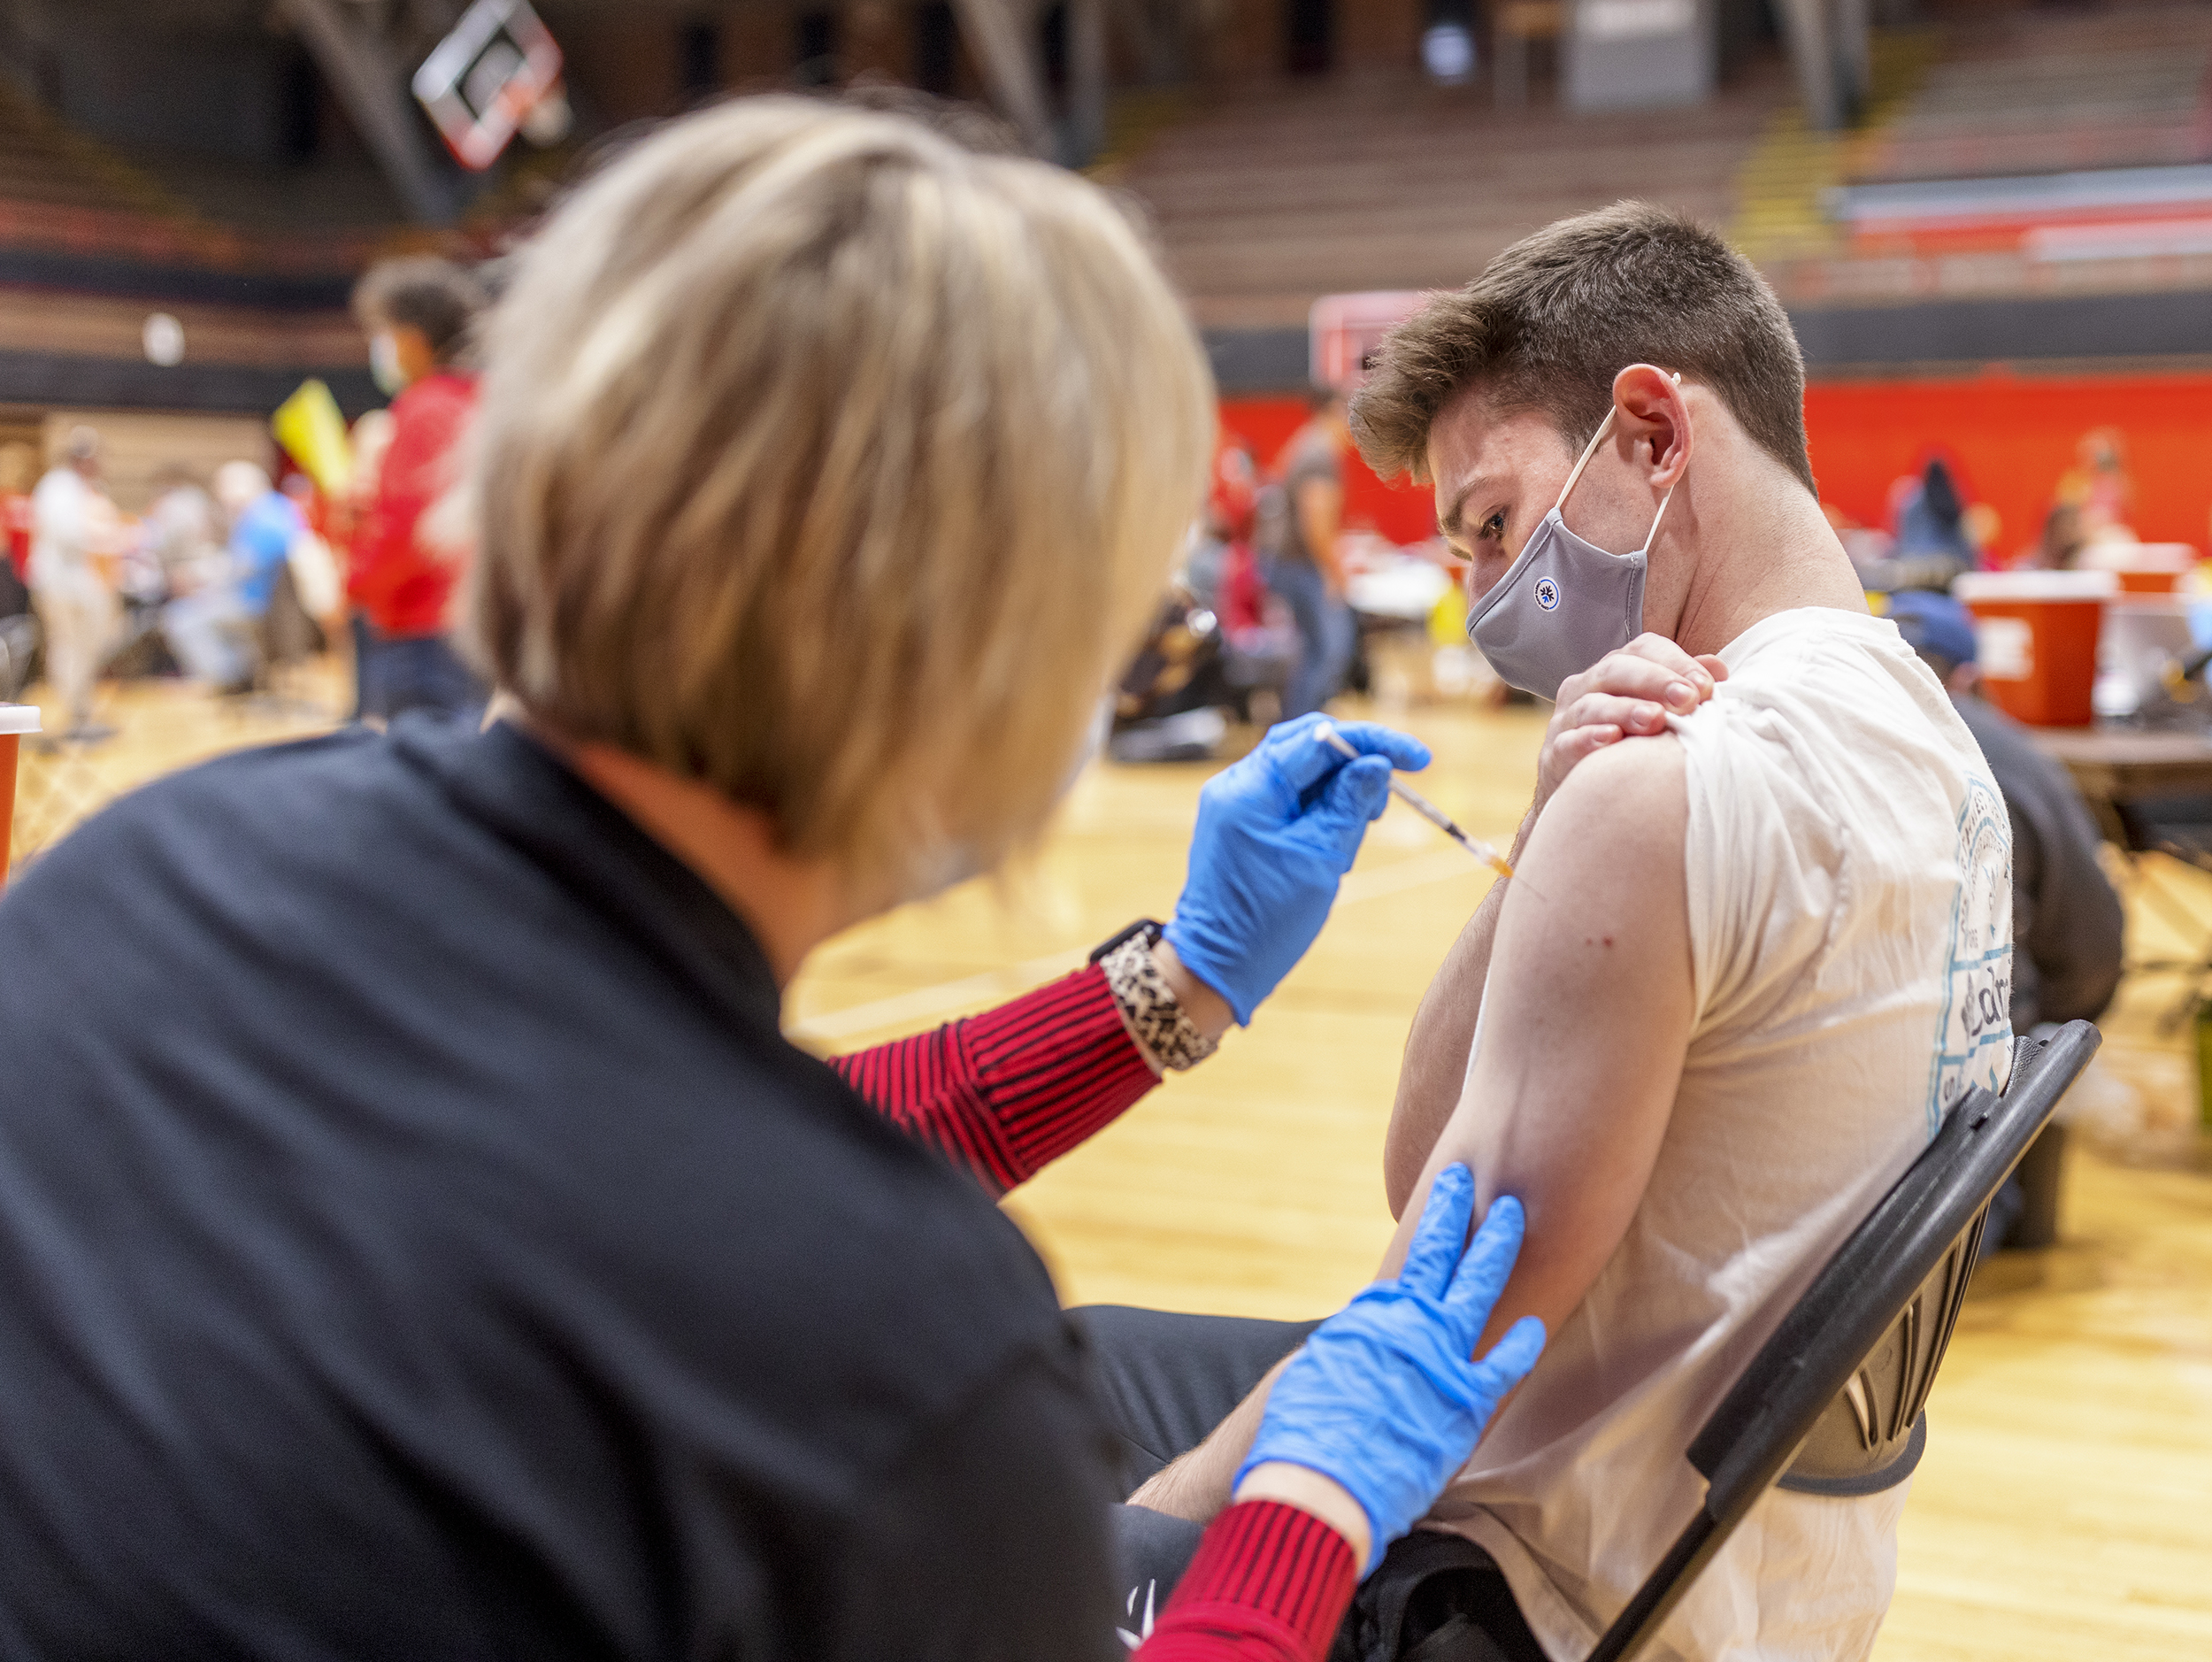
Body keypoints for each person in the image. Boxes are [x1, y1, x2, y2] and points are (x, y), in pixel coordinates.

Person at [0, 99, 1549, 1661]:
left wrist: (1167, 988)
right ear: (980, 662)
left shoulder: (151, 857)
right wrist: (1301, 1517)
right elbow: (725, 1228)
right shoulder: (897, 1379)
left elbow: (657, 1176)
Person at [1125, 203, 2016, 1662]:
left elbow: (1440, 1303)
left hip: (1521, 1583)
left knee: (1016, 1437)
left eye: (1491, 524)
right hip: (1766, 1577)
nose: (1483, 598)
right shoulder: (1930, 734)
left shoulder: (1663, 785)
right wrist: (1545, 834)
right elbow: (1426, 1157)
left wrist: (1150, 1536)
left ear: (1655, 433)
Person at [1886, 589, 2122, 1035]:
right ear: (1970, 679)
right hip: (1997, 1045)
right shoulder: (2016, 757)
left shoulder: (1814, 737)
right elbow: (2091, 941)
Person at [349, 256, 489, 723]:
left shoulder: (425, 407)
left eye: (381, 333)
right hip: (466, 617)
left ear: (410, 337)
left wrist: (357, 583)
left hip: (421, 627)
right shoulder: (477, 399)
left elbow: (410, 529)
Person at [162, 461, 304, 691]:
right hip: (267, 605)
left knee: (180, 619)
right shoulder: (276, 510)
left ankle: (229, 680)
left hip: (258, 606)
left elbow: (244, 566)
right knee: (202, 608)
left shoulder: (262, 518)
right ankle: (241, 674)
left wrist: (197, 574)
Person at [1262, 388, 1357, 720]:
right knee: (1329, 650)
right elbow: (1315, 521)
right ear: (1334, 409)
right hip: (1301, 564)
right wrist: (1333, 571)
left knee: (1312, 650)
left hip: (1286, 562)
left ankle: (1300, 726)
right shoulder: (1319, 452)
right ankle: (1304, 728)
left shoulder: (1302, 444)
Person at [27, 426, 121, 741]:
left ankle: (82, 709)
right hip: (62, 584)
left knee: (87, 648)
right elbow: (68, 533)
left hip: (85, 583)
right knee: (68, 646)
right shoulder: (57, 486)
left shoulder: (86, 487)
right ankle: (74, 715)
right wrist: (109, 537)